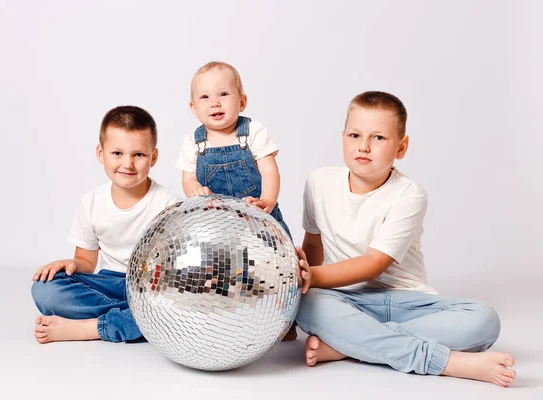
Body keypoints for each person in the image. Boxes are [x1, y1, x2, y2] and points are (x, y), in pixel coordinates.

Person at [294, 91, 516, 387]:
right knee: (305, 304)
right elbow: (313, 244)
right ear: (343, 137)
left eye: (379, 138)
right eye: (355, 135)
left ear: (401, 147)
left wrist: (310, 277)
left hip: (406, 300)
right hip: (342, 296)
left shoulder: (409, 193)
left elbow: (374, 263)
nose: (364, 146)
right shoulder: (318, 181)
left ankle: (347, 345)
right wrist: (302, 283)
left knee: (485, 320)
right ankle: (445, 362)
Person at [31, 106, 180, 343]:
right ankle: (137, 319)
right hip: (109, 283)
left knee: (178, 305)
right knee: (45, 289)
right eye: (117, 153)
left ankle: (92, 327)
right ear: (101, 153)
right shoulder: (91, 202)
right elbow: (87, 263)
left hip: (151, 288)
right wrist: (70, 263)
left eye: (138, 155)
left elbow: (174, 271)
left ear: (154, 157)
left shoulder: (168, 204)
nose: (128, 164)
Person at [175, 61, 296, 340]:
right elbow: (188, 178)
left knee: (278, 268)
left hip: (258, 215)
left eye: (224, 94)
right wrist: (194, 188)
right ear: (193, 108)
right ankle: (227, 320)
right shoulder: (194, 142)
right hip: (217, 222)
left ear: (242, 101)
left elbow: (269, 170)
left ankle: (286, 320)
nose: (215, 103)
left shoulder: (252, 131)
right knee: (223, 273)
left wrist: (267, 200)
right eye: (205, 97)